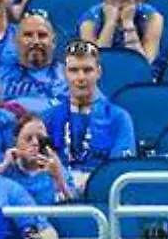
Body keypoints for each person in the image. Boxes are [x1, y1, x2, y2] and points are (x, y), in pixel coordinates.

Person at [43, 41, 138, 192]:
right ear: (64, 73)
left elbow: (119, 171)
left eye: (87, 70)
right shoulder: (49, 117)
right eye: (74, 70)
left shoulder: (119, 118)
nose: (81, 77)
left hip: (103, 196)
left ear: (98, 72)